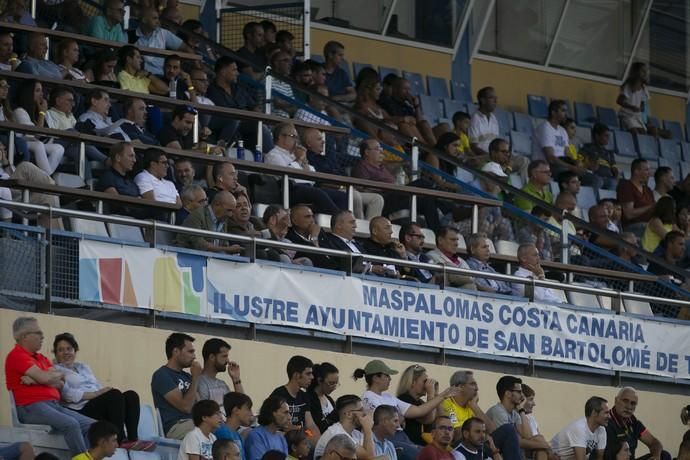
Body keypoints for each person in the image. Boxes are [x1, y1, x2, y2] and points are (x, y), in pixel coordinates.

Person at [4, 317, 95, 455]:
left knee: (92, 426)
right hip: (31, 406)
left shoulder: (41, 358)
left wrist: (37, 379)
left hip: (53, 405)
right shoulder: (17, 356)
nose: (42, 336)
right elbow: (47, 377)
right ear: (24, 336)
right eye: (38, 333)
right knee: (71, 425)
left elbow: (60, 380)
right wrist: (45, 377)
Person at [52, 332, 150, 450]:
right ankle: (119, 440)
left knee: (131, 395)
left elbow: (96, 385)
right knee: (114, 396)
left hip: (95, 403)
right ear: (56, 354)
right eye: (61, 350)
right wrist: (97, 394)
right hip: (79, 409)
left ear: (75, 350)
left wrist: (102, 392)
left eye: (69, 348)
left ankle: (133, 440)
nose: (66, 352)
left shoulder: (83, 367)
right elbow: (67, 395)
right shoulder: (55, 370)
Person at [354, 360, 457, 460]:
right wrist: (399, 417)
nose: (390, 379)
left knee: (434, 453)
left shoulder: (388, 397)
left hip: (402, 436)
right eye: (387, 376)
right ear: (376, 378)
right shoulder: (368, 396)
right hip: (388, 438)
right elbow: (384, 419)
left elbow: (419, 411)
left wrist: (440, 395)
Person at [265, 122, 345, 214]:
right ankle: (339, 219)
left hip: (305, 188)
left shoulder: (293, 155)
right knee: (318, 194)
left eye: (296, 137)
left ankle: (338, 218)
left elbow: (312, 179)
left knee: (342, 196)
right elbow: (290, 175)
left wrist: (305, 160)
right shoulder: (273, 155)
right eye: (293, 136)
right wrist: (299, 159)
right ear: (281, 137)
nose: (296, 140)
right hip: (288, 190)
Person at [151, 332, 201, 440]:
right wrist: (196, 377)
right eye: (190, 352)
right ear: (176, 351)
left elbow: (200, 405)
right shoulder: (162, 375)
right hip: (175, 426)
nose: (194, 356)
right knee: (207, 430)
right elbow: (186, 407)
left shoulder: (188, 376)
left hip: (194, 424)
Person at [469, 87, 527, 178]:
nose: (496, 101)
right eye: (492, 98)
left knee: (524, 161)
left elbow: (497, 143)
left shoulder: (493, 118)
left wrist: (504, 155)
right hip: (485, 157)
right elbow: (473, 146)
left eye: (496, 98)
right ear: (483, 100)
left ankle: (523, 190)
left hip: (497, 155)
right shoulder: (475, 118)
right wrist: (492, 156)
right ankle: (501, 174)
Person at [534, 100, 594, 185]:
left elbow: (567, 153)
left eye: (566, 111)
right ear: (553, 112)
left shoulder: (562, 131)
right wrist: (572, 167)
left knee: (595, 179)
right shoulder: (545, 128)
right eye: (563, 110)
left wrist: (576, 163)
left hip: (563, 164)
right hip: (548, 166)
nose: (566, 114)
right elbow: (551, 158)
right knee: (572, 177)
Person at [12, 79, 65, 175]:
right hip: (22, 143)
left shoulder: (38, 112)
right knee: (39, 145)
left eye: (41, 90)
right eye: (37, 91)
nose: (41, 94)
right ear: (28, 93)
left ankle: (45, 176)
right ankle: (48, 180)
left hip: (35, 142)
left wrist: (41, 113)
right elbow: (32, 134)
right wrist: (42, 113)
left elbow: (42, 135)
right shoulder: (20, 111)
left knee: (58, 148)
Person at [604, 387, 669, 460]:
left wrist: (656, 456)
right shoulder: (606, 421)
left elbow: (654, 442)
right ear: (616, 400)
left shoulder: (633, 422)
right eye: (625, 401)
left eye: (633, 403)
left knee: (664, 455)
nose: (628, 407)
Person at [486, 376, 540, 460]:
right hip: (494, 455)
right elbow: (511, 440)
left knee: (539, 441)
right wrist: (544, 445)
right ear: (507, 393)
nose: (522, 396)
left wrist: (521, 410)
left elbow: (528, 436)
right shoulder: (498, 411)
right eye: (519, 392)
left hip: (509, 454)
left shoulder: (514, 413)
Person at [177, 191, 243, 255]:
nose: (230, 214)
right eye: (229, 210)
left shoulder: (223, 218)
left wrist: (230, 250)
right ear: (217, 204)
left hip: (211, 262)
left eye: (232, 211)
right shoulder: (197, 215)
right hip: (186, 258)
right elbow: (201, 245)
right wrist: (227, 249)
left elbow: (224, 244)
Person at [270, 355, 321, 436]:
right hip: (281, 437)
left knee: (311, 436)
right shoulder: (279, 394)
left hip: (301, 437)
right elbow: (286, 427)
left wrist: (319, 442)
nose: (312, 377)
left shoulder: (304, 396)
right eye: (308, 374)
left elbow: (310, 425)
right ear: (297, 375)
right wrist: (303, 430)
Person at [440, 371, 495, 446]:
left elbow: (492, 431)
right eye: (473, 384)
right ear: (460, 387)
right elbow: (457, 434)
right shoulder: (447, 404)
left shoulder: (471, 406)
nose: (477, 388)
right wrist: (484, 436)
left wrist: (474, 406)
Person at [313, 394, 375, 459]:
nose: (365, 413)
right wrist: (368, 429)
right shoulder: (337, 433)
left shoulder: (355, 433)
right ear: (349, 414)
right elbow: (369, 457)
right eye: (361, 410)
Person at [135, 7, 193, 76]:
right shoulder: (131, 35)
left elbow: (187, 49)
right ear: (144, 20)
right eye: (154, 18)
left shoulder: (163, 33)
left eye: (158, 18)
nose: (158, 21)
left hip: (161, 76)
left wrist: (177, 65)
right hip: (140, 75)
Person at [396, 364, 438, 446]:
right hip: (411, 445)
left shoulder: (420, 402)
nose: (427, 384)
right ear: (413, 382)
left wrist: (435, 394)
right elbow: (428, 419)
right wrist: (431, 395)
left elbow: (438, 418)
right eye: (424, 381)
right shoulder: (404, 399)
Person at [198, 338, 244, 407]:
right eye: (224, 356)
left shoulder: (222, 384)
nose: (228, 360)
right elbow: (204, 412)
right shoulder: (199, 382)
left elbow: (242, 405)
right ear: (212, 357)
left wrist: (236, 379)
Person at [245, 396, 291, 460]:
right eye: (285, 413)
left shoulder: (281, 438)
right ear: (273, 413)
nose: (289, 417)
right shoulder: (256, 436)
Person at [617, 159, 654, 235]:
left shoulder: (648, 190)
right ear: (636, 171)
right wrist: (650, 207)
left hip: (649, 224)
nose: (649, 173)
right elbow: (629, 214)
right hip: (632, 227)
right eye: (646, 170)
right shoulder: (626, 186)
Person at [579, 123, 618, 190]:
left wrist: (616, 176)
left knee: (613, 183)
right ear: (597, 136)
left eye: (608, 136)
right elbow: (579, 162)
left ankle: (609, 200)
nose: (608, 138)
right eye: (605, 136)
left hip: (608, 178)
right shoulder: (587, 147)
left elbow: (614, 168)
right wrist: (588, 166)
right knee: (598, 181)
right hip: (593, 176)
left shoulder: (609, 153)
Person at [215, 392, 253, 459]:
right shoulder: (222, 433)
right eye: (248, 409)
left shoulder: (237, 435)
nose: (251, 413)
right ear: (236, 410)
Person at [617, 62, 652, 134]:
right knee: (635, 133)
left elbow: (642, 106)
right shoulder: (628, 85)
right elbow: (619, 101)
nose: (645, 73)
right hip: (626, 115)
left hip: (637, 117)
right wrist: (632, 107)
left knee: (644, 134)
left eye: (645, 71)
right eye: (642, 70)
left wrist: (641, 109)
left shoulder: (644, 88)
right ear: (636, 72)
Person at [307, 363, 339, 434]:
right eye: (331, 383)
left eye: (336, 383)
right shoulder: (309, 399)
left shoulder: (329, 399)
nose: (334, 387)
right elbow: (313, 426)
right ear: (320, 380)